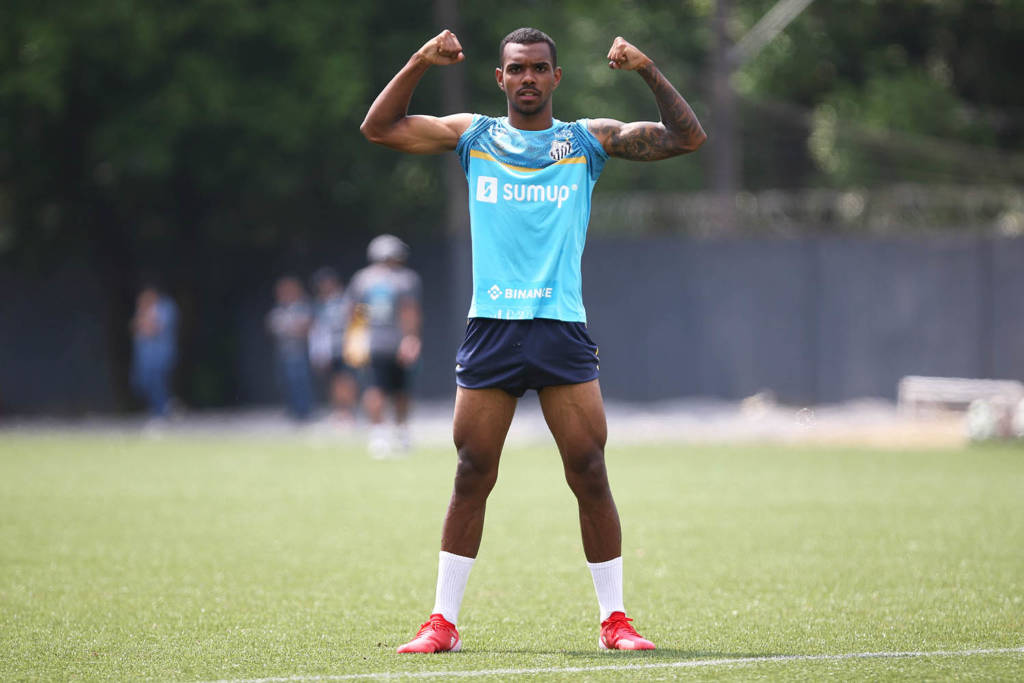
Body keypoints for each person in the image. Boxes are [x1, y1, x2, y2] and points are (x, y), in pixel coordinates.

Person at [360, 27, 705, 652]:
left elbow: (687, 138)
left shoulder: (585, 141)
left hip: (559, 328)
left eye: (539, 68)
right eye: (516, 68)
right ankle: (442, 623)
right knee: (472, 472)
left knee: (589, 470)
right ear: (500, 78)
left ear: (555, 77)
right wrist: (419, 59)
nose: (527, 78)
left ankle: (614, 621)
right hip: (492, 327)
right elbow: (379, 128)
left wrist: (647, 69)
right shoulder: (474, 135)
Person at [346, 234, 423, 458]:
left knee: (375, 388)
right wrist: (411, 338)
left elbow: (356, 312)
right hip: (396, 341)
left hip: (372, 343)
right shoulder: (406, 279)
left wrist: (356, 340)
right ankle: (401, 432)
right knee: (401, 390)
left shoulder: (362, 279)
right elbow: (409, 311)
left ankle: (378, 435)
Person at [308, 267, 359, 423]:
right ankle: (338, 411)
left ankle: (348, 412)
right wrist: (317, 352)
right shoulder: (318, 305)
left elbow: (360, 318)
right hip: (328, 350)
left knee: (347, 380)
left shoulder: (347, 300)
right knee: (334, 381)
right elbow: (316, 329)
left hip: (347, 347)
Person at [266, 275, 315, 421]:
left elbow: (306, 327)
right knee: (286, 382)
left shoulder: (303, 307)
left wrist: (290, 329)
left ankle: (304, 411)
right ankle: (292, 410)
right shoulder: (279, 309)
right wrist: (292, 328)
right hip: (284, 351)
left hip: (300, 351)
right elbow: (271, 326)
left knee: (302, 381)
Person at [131, 284, 179, 418]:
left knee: (158, 382)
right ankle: (167, 405)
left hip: (161, 353)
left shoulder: (166, 307)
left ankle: (161, 411)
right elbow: (135, 327)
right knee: (140, 382)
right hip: (145, 356)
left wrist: (145, 323)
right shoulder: (144, 308)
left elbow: (155, 328)